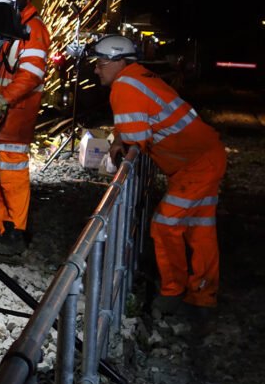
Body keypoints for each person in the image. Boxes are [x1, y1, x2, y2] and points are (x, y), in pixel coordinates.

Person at [90, 35, 225, 312]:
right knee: (200, 229)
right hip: (203, 158)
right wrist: (119, 138)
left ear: (118, 62)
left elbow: (137, 137)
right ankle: (202, 293)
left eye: (101, 62)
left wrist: (120, 145)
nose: (96, 69)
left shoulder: (123, 88)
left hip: (195, 166)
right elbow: (139, 121)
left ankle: (173, 291)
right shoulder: (140, 76)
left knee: (164, 224)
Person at [0, 0, 51, 255]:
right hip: (4, 116)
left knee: (12, 174)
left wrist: (5, 98)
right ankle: (2, 226)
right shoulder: (14, 24)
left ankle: (16, 231)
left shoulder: (32, 28)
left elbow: (31, 73)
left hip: (15, 114)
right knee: (1, 174)